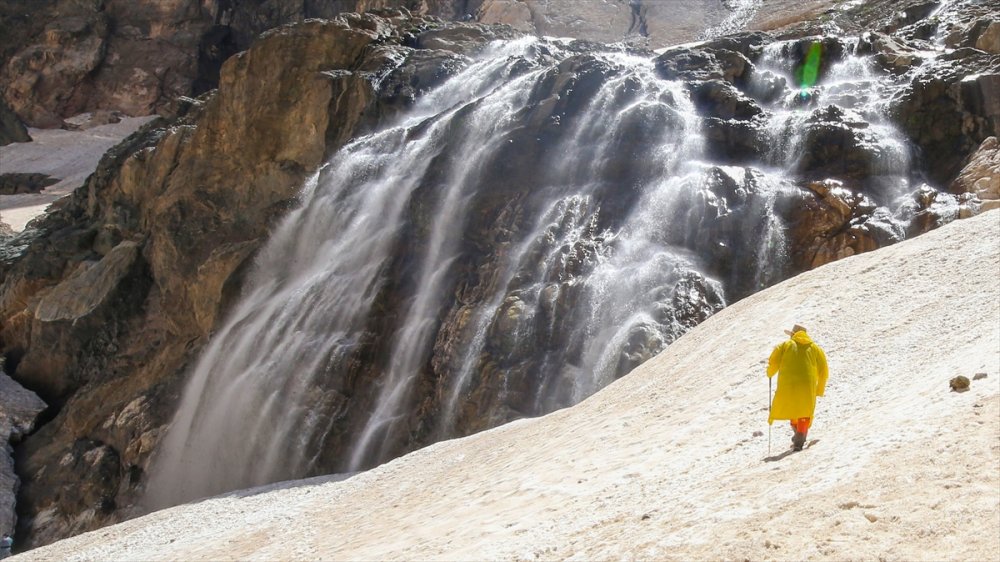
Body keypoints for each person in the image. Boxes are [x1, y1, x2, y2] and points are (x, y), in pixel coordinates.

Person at [767, 323, 829, 451]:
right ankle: (799, 438)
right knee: (804, 410)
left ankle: (797, 435)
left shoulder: (785, 345)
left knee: (792, 407)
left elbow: (773, 361)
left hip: (788, 383)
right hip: (807, 384)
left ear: (793, 335)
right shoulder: (815, 348)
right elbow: (824, 370)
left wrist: (770, 372)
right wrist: (820, 389)